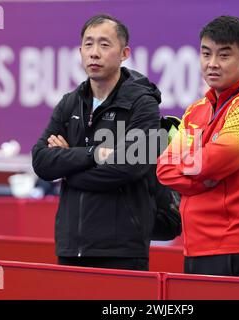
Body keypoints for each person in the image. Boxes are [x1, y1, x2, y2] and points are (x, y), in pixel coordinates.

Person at [32, 14, 161, 271]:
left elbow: (131, 166)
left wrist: (69, 170)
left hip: (122, 249)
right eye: (88, 45)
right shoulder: (70, 102)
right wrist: (94, 153)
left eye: (104, 44)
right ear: (80, 51)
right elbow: (41, 161)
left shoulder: (143, 104)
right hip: (71, 246)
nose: (94, 53)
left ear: (124, 53)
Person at [157, 15, 239, 278]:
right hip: (194, 248)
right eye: (205, 54)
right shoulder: (196, 110)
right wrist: (203, 180)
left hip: (235, 249)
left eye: (224, 55)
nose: (212, 64)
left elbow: (208, 164)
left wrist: (195, 170)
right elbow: (164, 169)